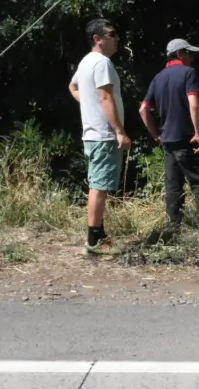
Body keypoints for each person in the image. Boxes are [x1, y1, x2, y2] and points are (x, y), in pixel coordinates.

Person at [138, 38, 199, 231]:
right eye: (189, 53)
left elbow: (143, 109)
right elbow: (193, 103)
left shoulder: (158, 77)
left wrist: (156, 134)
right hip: (187, 138)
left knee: (173, 187)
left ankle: (173, 230)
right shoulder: (188, 73)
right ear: (180, 54)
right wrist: (198, 133)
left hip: (168, 141)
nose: (192, 57)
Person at [68, 18, 129, 256]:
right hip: (103, 135)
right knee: (99, 187)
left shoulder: (85, 62)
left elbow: (72, 87)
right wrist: (119, 131)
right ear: (98, 39)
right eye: (111, 34)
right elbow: (105, 98)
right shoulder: (101, 62)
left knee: (98, 184)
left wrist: (87, 103)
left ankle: (99, 234)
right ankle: (93, 240)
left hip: (93, 133)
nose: (117, 39)